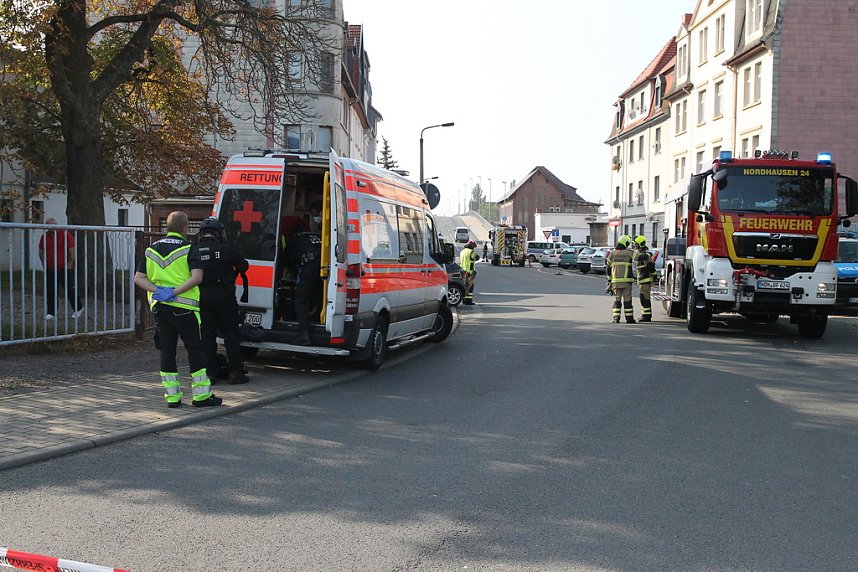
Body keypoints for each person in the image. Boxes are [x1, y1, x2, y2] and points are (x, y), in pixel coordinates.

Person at [134, 211, 222, 408]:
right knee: (195, 350)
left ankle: (172, 398)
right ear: (185, 228)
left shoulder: (151, 249)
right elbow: (197, 277)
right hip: (185, 309)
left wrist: (160, 291)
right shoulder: (190, 248)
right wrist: (174, 291)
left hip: (161, 309)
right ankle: (201, 397)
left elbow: (138, 278)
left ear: (167, 227)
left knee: (167, 351)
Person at [194, 217, 251, 384]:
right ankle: (235, 373)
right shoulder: (226, 249)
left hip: (202, 297)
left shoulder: (193, 249)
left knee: (207, 336)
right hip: (224, 297)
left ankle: (210, 373)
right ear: (218, 233)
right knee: (231, 335)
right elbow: (244, 266)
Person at [286, 219, 323, 345]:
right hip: (324, 268)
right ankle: (320, 322)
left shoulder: (294, 240)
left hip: (308, 269)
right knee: (319, 296)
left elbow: (286, 261)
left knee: (300, 301)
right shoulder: (316, 237)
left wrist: (293, 274)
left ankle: (304, 335)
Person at [38, 218, 84, 320]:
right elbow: (41, 251)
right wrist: (44, 264)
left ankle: (78, 308)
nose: (51, 228)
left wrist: (69, 263)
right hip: (50, 268)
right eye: (48, 226)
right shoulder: (45, 237)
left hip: (63, 267)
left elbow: (71, 250)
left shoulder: (65, 234)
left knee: (69, 289)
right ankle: (51, 312)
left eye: (53, 225)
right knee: (51, 290)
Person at [605, 235, 636, 324]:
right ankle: (629, 319)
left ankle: (616, 318)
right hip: (626, 282)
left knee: (616, 300)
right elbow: (639, 258)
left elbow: (608, 268)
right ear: (625, 243)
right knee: (627, 301)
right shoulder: (629, 252)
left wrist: (609, 280)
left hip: (615, 282)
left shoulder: (612, 253)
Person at [633, 235, 655, 322]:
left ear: (640, 244)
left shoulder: (644, 254)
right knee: (643, 298)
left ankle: (646, 316)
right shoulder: (643, 253)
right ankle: (645, 315)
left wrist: (653, 275)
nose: (635, 245)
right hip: (642, 280)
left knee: (645, 298)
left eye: (636, 244)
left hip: (645, 280)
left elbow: (650, 265)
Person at [460, 240, 479, 305]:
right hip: (469, 271)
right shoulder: (471, 252)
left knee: (464, 286)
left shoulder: (463, 251)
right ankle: (468, 301)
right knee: (470, 286)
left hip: (462, 271)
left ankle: (464, 300)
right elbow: (477, 257)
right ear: (471, 246)